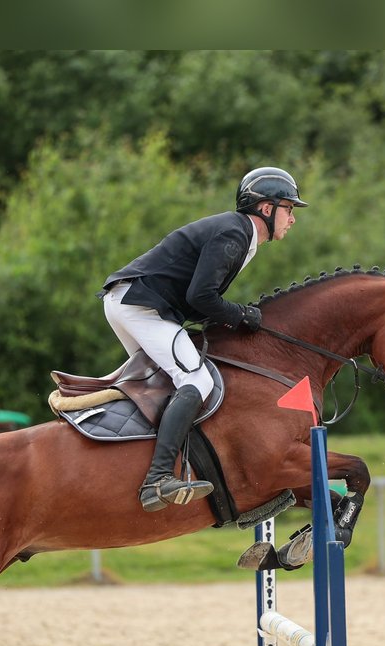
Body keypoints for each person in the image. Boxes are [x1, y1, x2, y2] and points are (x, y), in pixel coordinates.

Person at [101, 166, 308, 512]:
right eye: (289, 209)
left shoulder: (239, 234)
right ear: (267, 209)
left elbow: (198, 301)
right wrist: (242, 315)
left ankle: (147, 466)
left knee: (167, 386)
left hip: (135, 304)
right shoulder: (235, 234)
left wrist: (231, 317)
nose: (293, 218)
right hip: (141, 307)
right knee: (195, 378)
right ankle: (157, 479)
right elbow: (201, 298)